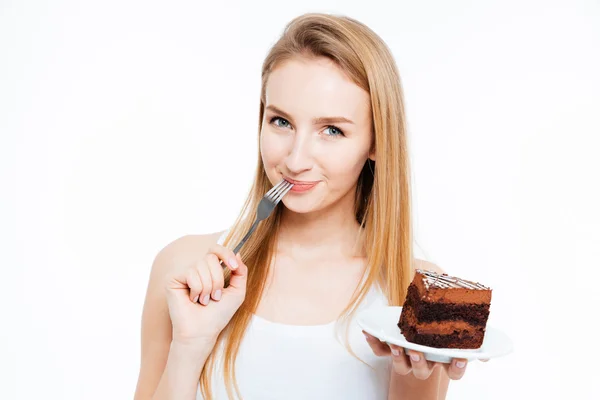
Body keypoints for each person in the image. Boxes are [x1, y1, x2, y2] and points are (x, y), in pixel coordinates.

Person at [134, 12, 477, 400]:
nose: (296, 159)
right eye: (281, 122)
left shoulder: (420, 293)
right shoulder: (185, 269)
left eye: (332, 130)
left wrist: (417, 379)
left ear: (377, 142)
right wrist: (189, 347)